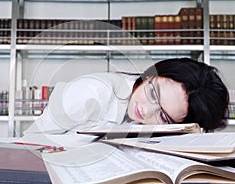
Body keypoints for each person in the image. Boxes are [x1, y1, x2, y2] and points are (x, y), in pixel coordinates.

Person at [24, 57, 229, 136]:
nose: (146, 110)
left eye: (163, 117)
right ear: (150, 74)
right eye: (152, 94)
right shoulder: (91, 91)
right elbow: (33, 144)